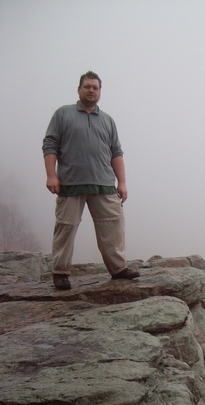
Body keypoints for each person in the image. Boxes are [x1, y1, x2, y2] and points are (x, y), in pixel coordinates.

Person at [43, 70, 139, 290]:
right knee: (65, 228)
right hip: (70, 183)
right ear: (79, 90)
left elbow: (116, 152)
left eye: (95, 88)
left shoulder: (107, 120)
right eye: (87, 87)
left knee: (113, 226)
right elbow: (50, 145)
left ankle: (118, 269)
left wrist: (122, 183)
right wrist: (51, 175)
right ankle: (60, 272)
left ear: (100, 92)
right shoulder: (63, 115)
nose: (91, 91)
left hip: (104, 184)